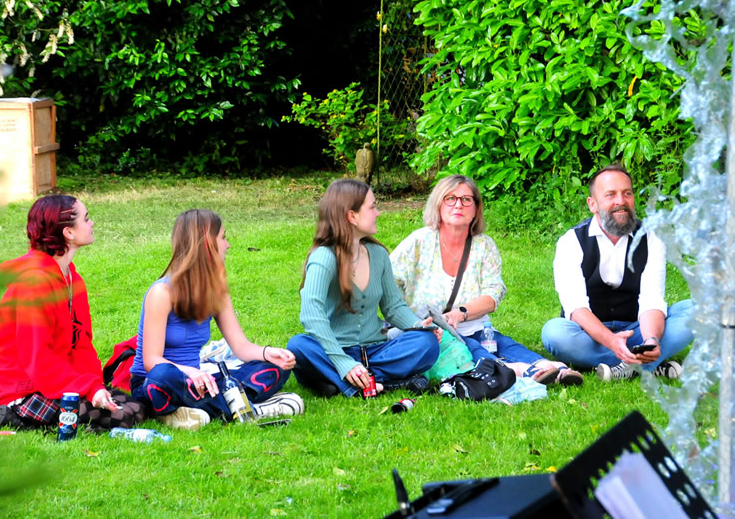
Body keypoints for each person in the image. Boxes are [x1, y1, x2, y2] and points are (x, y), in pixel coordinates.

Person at [391, 174, 583, 386]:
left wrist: (459, 314)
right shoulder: (418, 242)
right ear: (438, 204)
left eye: (466, 199)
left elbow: (494, 293)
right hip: (434, 334)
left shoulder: (484, 246)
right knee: (474, 352)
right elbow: (388, 282)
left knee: (505, 345)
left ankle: (555, 368)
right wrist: (408, 321)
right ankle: (526, 372)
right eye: (450, 198)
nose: (458, 205)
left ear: (475, 209)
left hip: (475, 326)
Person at [0, 195, 145, 430]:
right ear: (68, 232)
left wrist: (94, 385)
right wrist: (87, 389)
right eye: (86, 219)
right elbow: (38, 359)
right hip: (26, 386)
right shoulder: (34, 284)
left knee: (136, 408)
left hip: (57, 378)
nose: (92, 224)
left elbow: (82, 344)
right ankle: (10, 414)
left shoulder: (72, 279)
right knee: (122, 418)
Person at [129, 209, 303, 429]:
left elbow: (240, 347)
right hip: (160, 381)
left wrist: (269, 353)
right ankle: (250, 409)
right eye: (223, 237)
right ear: (206, 243)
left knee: (276, 367)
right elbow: (151, 361)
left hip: (201, 382)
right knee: (163, 377)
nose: (228, 244)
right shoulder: (162, 292)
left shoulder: (216, 291)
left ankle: (190, 412)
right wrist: (191, 372)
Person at [287, 179, 440, 398]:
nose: (377, 213)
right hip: (333, 350)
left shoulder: (378, 255)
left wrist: (419, 325)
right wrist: (342, 362)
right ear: (352, 216)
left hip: (376, 350)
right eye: (372, 207)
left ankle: (344, 383)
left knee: (426, 343)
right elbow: (311, 314)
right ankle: (372, 383)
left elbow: (394, 307)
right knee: (299, 346)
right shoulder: (324, 257)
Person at [540, 164, 694, 381]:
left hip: (637, 329)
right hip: (589, 334)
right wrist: (612, 341)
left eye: (627, 193)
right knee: (554, 333)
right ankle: (644, 365)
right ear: (592, 204)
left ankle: (624, 365)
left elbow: (652, 300)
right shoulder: (571, 241)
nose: (621, 201)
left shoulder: (651, 239)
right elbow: (576, 308)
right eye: (610, 194)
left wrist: (651, 340)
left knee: (696, 311)